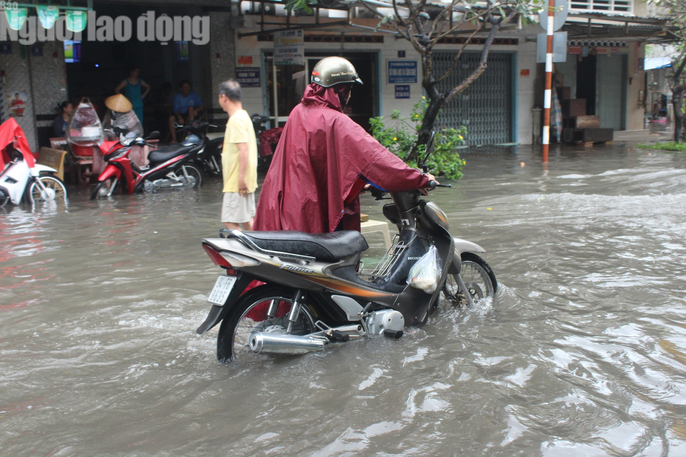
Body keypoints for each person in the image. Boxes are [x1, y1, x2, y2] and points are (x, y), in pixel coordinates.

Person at [254, 56, 434, 234]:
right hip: (311, 209)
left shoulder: (298, 112)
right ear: (340, 90)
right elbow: (376, 160)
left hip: (288, 205)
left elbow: (319, 164)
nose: (349, 95)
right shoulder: (336, 121)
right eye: (348, 89)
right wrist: (419, 178)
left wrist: (360, 182)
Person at [217, 80, 258, 231]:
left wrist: (240, 179)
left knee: (230, 222)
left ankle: (246, 252)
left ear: (224, 97)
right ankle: (261, 249)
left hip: (236, 183)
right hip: (245, 180)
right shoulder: (244, 116)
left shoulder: (235, 120)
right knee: (247, 220)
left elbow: (243, 149)